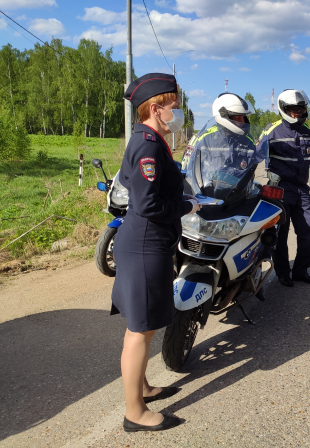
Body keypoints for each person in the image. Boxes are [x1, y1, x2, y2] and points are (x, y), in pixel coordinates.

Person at [111, 73, 201, 432]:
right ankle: (134, 412)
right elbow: (148, 204)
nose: (177, 113)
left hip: (149, 243)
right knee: (140, 329)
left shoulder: (150, 139)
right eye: (174, 107)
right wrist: (186, 207)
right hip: (146, 245)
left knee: (144, 328)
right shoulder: (147, 145)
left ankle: (143, 388)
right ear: (155, 107)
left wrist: (180, 198)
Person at [257, 89, 310, 287]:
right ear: (284, 109)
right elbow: (254, 156)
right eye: (293, 109)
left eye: (300, 108)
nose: (297, 112)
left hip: (302, 189)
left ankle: (301, 270)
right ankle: (283, 272)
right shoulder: (271, 131)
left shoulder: (307, 132)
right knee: (280, 234)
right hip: (280, 189)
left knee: (309, 231)